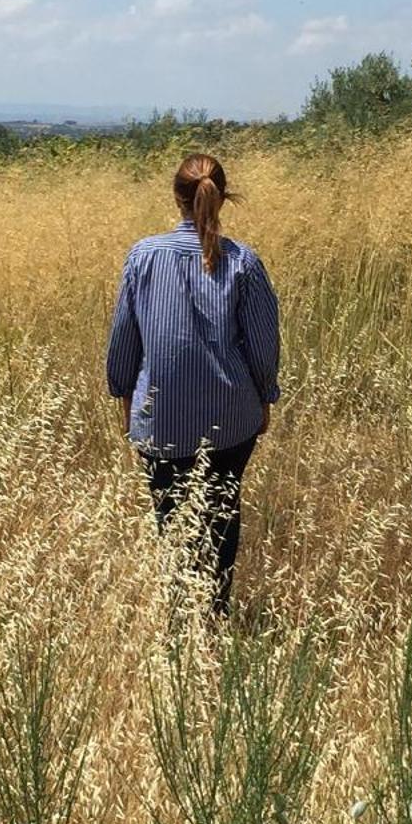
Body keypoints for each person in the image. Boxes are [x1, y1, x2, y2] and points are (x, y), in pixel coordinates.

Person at [106, 153, 281, 615]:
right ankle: (216, 613)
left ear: (176, 197)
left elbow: (124, 337)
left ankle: (182, 616)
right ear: (222, 198)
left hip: (160, 419)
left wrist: (124, 396)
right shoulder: (243, 262)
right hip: (232, 417)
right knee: (222, 513)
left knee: (172, 517)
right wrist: (266, 397)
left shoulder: (143, 256)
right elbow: (264, 344)